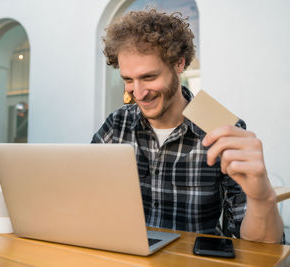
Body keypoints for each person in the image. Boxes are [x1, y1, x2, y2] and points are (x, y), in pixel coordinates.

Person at [92, 9, 284, 243]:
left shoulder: (221, 128)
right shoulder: (117, 124)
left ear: (179, 63)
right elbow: (86, 199)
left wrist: (262, 197)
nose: (138, 94)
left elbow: (261, 248)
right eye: (129, 80)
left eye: (149, 77)